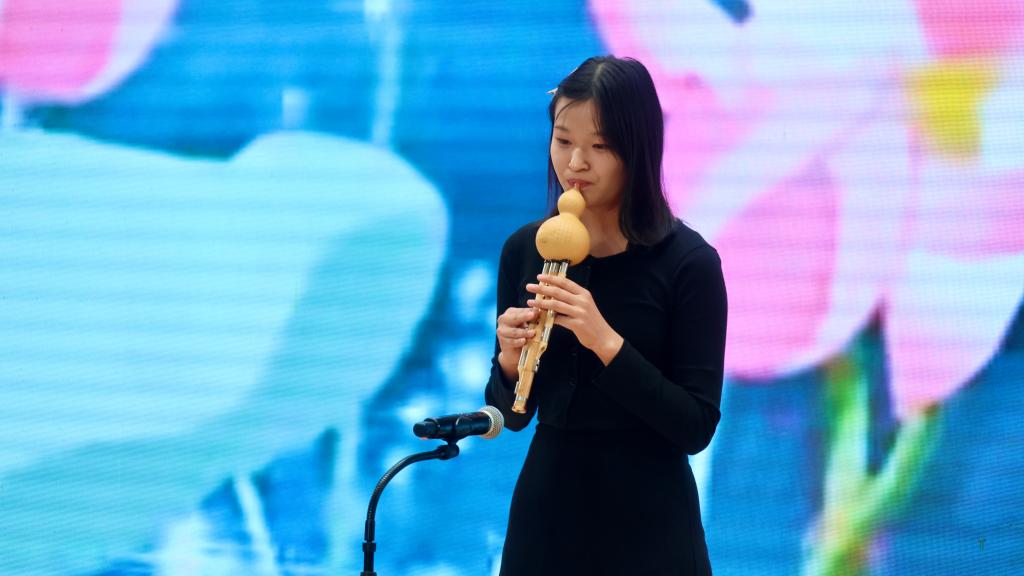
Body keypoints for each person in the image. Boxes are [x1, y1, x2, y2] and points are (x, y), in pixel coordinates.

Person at [484, 56, 728, 575]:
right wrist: (508, 360)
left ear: (638, 150)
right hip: (547, 514)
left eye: (600, 146)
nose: (575, 163)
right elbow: (515, 416)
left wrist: (605, 342)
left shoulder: (689, 263)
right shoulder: (525, 249)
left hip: (650, 520)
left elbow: (695, 426)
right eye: (563, 141)